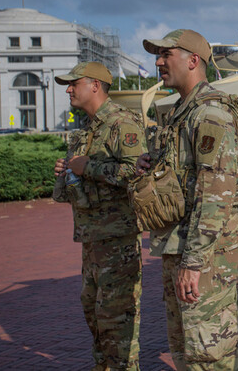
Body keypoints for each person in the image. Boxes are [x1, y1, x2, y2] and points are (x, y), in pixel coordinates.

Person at [138, 29, 238, 370]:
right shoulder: (183, 112)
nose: (158, 62)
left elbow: (216, 195)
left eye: (165, 55)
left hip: (206, 256)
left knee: (209, 355)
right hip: (181, 248)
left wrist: (195, 262)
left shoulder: (210, 113)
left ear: (192, 60)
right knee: (187, 350)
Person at [53, 61, 145, 371]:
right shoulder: (84, 133)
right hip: (92, 240)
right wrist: (63, 175)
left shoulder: (123, 124)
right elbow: (66, 193)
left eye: (73, 83)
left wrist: (86, 167)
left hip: (117, 240)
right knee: (93, 313)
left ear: (94, 85)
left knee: (116, 319)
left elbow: (136, 173)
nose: (68, 89)